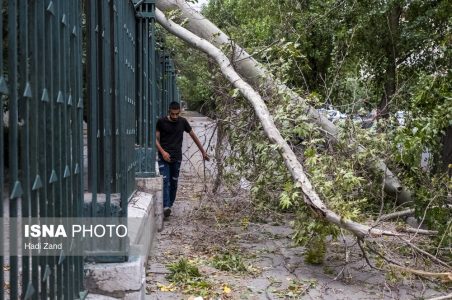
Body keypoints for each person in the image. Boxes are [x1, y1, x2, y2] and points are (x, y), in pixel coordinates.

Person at [156, 101, 209, 218]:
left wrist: (203, 151)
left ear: (179, 112)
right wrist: (162, 152)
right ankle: (166, 206)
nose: (175, 116)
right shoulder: (161, 122)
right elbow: (155, 139)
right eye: (172, 114)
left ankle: (169, 205)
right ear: (169, 111)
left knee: (174, 183)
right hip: (163, 157)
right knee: (165, 181)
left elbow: (193, 136)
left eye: (177, 114)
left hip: (177, 158)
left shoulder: (182, 122)